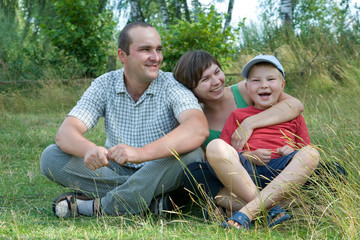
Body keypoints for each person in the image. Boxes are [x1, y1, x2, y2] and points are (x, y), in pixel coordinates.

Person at [40, 22, 209, 218]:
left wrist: (141, 153)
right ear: (122, 55)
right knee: (51, 157)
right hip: (115, 170)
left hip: (159, 167)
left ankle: (96, 207)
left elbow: (197, 129)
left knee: (192, 155)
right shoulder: (104, 84)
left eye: (158, 50)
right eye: (146, 50)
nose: (156, 58)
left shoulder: (172, 85)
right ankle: (150, 200)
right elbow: (66, 133)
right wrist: (88, 150)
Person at [190, 54, 320, 229]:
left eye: (271, 79)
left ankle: (244, 211)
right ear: (247, 87)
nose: (264, 85)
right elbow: (226, 152)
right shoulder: (238, 115)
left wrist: (291, 150)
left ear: (282, 85)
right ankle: (274, 209)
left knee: (312, 153)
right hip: (244, 174)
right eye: (256, 81)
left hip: (282, 173)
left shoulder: (293, 116)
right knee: (211, 151)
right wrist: (248, 155)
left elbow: (304, 149)